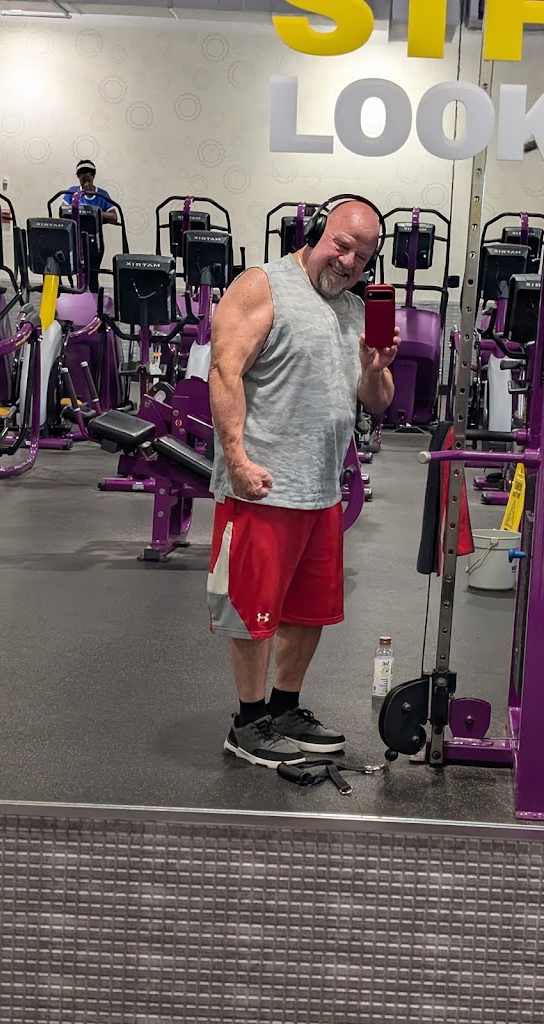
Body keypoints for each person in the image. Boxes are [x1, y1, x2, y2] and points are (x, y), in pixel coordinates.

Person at [207, 200, 400, 768]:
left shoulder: (355, 309)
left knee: (307, 612)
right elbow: (224, 370)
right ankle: (248, 724)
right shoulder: (262, 285)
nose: (349, 261)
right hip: (264, 485)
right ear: (318, 233)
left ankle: (285, 708)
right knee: (252, 611)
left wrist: (374, 369)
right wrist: (237, 460)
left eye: (362, 256)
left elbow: (377, 401)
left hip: (322, 489)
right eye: (342, 244)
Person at [62, 159, 118, 224]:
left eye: (89, 180)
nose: (86, 184)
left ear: (93, 177)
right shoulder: (72, 192)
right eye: (83, 181)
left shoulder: (102, 195)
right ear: (78, 178)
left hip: (95, 229)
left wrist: (93, 212)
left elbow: (114, 217)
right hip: (75, 229)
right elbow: (63, 212)